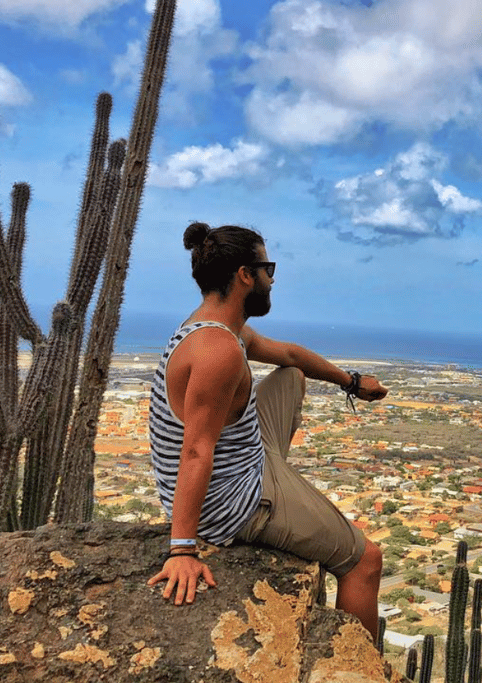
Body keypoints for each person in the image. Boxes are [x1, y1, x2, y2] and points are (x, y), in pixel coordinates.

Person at [146, 222, 388, 640]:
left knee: (292, 374)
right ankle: (359, 673)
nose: (272, 279)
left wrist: (351, 382)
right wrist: (182, 549)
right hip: (233, 499)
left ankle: (277, 478)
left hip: (244, 456)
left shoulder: (216, 326)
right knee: (365, 561)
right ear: (245, 274)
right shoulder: (217, 351)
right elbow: (196, 451)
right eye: (267, 268)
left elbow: (290, 354)